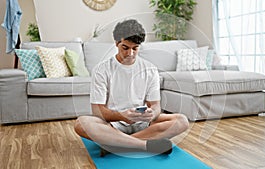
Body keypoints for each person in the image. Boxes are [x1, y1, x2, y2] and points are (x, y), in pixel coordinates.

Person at [74, 19, 189, 156]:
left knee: (182, 121)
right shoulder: (101, 70)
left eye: (135, 48)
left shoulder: (150, 69)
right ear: (117, 43)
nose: (130, 54)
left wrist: (153, 113)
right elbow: (97, 111)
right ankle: (143, 145)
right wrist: (122, 115)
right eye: (125, 48)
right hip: (113, 125)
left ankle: (117, 145)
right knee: (81, 123)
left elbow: (156, 106)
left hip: (143, 124)